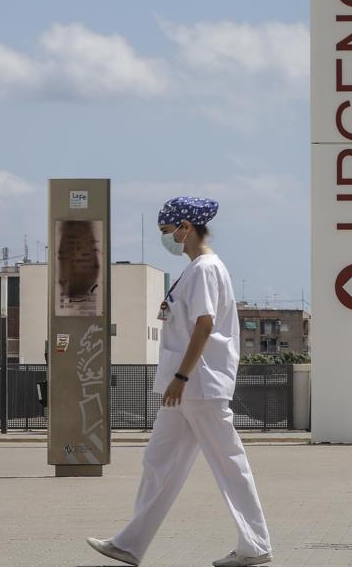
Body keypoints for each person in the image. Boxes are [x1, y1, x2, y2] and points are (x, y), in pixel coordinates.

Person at [87, 197, 272, 567]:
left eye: (167, 232)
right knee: (159, 460)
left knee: (229, 464)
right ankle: (130, 543)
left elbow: (203, 325)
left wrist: (181, 377)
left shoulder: (204, 268)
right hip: (187, 388)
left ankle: (256, 544)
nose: (167, 238)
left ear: (185, 227)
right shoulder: (197, 269)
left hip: (198, 384)